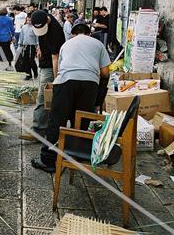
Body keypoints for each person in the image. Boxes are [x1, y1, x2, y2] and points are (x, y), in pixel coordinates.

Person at [31, 23, 111, 172]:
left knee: (57, 120)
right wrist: (99, 98)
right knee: (82, 119)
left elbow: (60, 68)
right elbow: (105, 73)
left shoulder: (66, 44)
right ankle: (78, 155)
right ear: (89, 34)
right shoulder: (98, 44)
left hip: (66, 81)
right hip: (90, 83)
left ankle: (49, 160)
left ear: (73, 34)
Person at [20, 10, 65, 141]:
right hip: (45, 62)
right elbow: (42, 37)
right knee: (47, 98)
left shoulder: (55, 31)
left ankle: (38, 130)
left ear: (47, 20)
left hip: (51, 66)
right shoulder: (40, 18)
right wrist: (40, 47)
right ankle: (45, 127)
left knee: (42, 96)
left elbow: (55, 57)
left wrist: (57, 79)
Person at [0, 6, 15, 70]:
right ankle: (9, 63)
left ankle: (3, 63)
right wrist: (12, 35)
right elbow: (12, 29)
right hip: (7, 37)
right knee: (7, 50)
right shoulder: (9, 19)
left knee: (0, 50)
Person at [18, 13, 38, 79]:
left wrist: (37, 46)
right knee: (25, 60)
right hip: (25, 46)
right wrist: (20, 43)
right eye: (27, 20)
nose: (29, 22)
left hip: (32, 46)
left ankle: (35, 72)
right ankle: (28, 74)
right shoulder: (24, 27)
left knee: (31, 60)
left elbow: (37, 38)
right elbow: (21, 36)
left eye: (30, 20)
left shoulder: (35, 28)